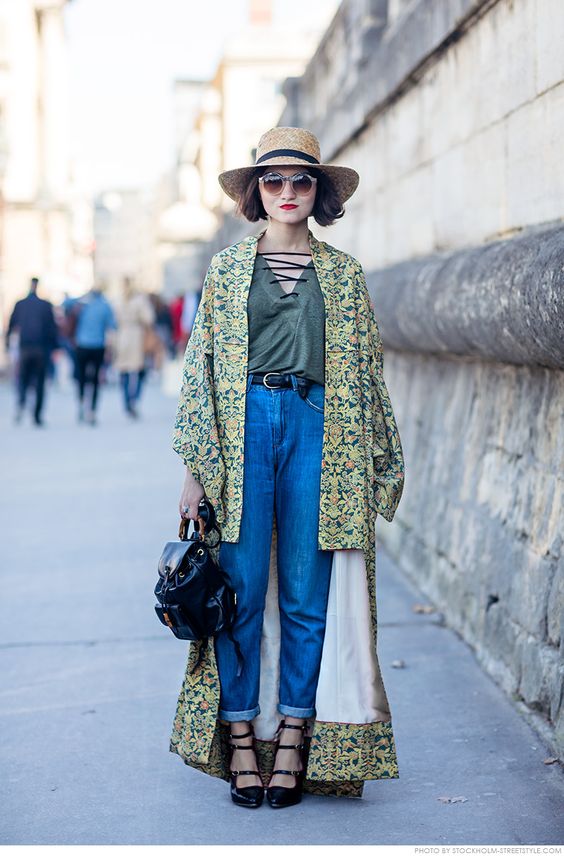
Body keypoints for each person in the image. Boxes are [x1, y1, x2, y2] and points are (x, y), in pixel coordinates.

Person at [171, 127, 405, 809]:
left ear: (319, 192)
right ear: (255, 193)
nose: (287, 192)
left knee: (307, 594)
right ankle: (241, 736)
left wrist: (377, 466)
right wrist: (193, 468)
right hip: (242, 429)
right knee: (238, 590)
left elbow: (367, 376)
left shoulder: (343, 274)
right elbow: (201, 371)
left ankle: (295, 737)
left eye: (301, 181)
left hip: (320, 432)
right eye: (272, 181)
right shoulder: (225, 271)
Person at [6, 277, 58, 426]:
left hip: (26, 348)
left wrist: (8, 344)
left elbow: (11, 325)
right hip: (41, 349)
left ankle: (21, 403)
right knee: (40, 382)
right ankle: (37, 415)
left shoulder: (20, 304)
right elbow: (52, 328)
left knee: (23, 378)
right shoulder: (45, 305)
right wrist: (54, 347)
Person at [74, 284, 116, 425]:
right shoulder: (105, 306)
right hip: (98, 346)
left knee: (81, 376)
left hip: (82, 344)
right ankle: (92, 410)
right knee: (96, 379)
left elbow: (66, 305)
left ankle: (81, 402)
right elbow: (112, 325)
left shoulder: (82, 304)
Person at [113, 277, 155, 418]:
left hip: (121, 336)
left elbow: (114, 321)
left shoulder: (117, 301)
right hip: (137, 336)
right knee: (139, 370)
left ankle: (127, 402)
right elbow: (149, 318)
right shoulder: (140, 300)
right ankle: (134, 399)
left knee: (124, 371)